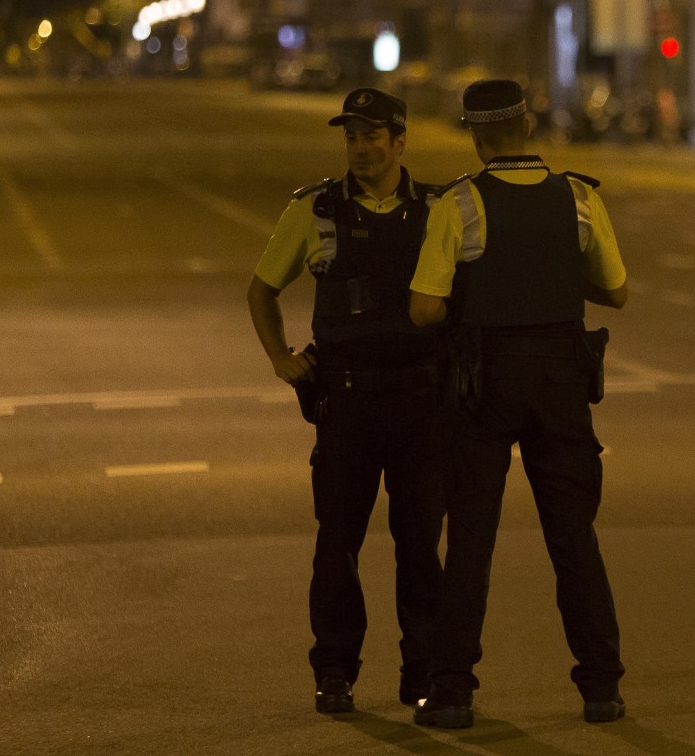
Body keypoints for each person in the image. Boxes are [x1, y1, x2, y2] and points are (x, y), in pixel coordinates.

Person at [407, 78, 628, 729]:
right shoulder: (579, 198)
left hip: (483, 385)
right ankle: (602, 687)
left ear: (475, 135)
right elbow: (615, 291)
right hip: (562, 384)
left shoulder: (460, 204)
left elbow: (424, 307)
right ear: (528, 126)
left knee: (471, 540)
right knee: (573, 538)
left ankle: (452, 692)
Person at [246, 87, 447, 715]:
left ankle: (423, 675)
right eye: (350, 137)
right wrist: (281, 359)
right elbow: (261, 290)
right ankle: (334, 672)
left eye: (371, 136)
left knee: (419, 548)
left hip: (421, 403)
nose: (360, 149)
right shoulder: (316, 210)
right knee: (338, 545)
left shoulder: (439, 209)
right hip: (348, 403)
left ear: (399, 140)